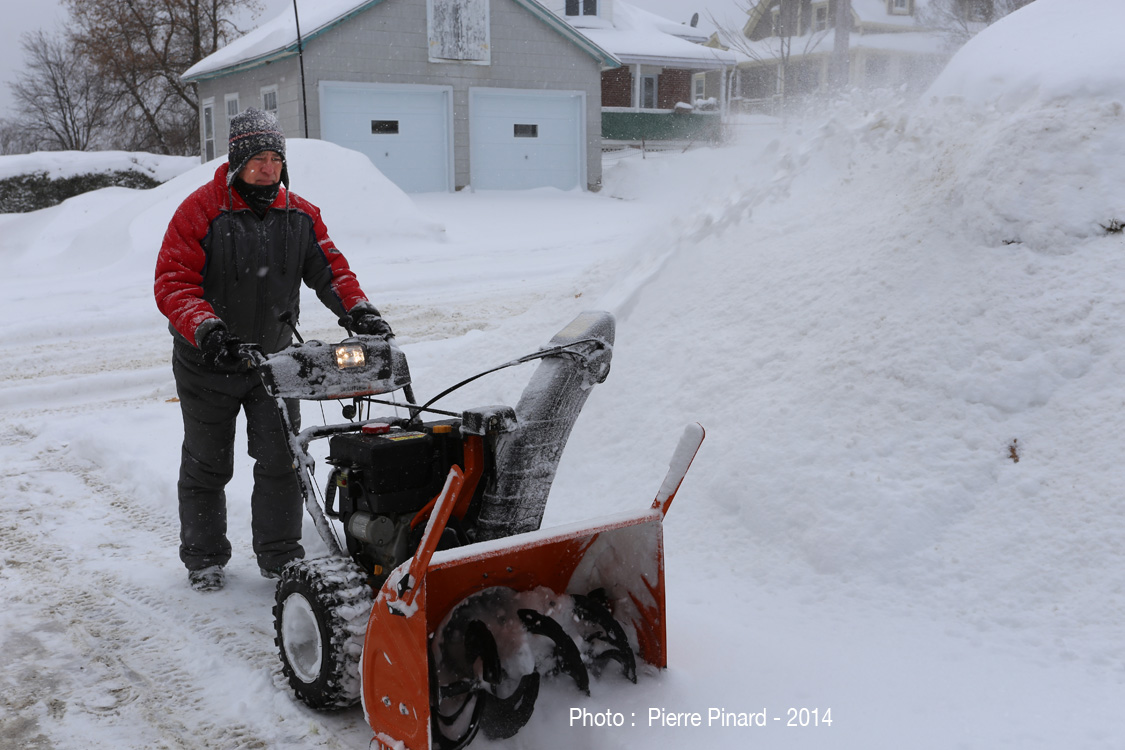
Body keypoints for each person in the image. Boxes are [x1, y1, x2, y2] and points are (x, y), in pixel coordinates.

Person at [155, 108, 392, 592]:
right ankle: (204, 558)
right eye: (257, 159)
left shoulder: (299, 215)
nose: (267, 169)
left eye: (275, 159)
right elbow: (174, 283)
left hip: (274, 363)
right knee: (208, 463)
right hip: (208, 362)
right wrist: (209, 330)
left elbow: (332, 272)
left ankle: (280, 554)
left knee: (283, 460)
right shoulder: (200, 211)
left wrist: (359, 311)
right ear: (236, 162)